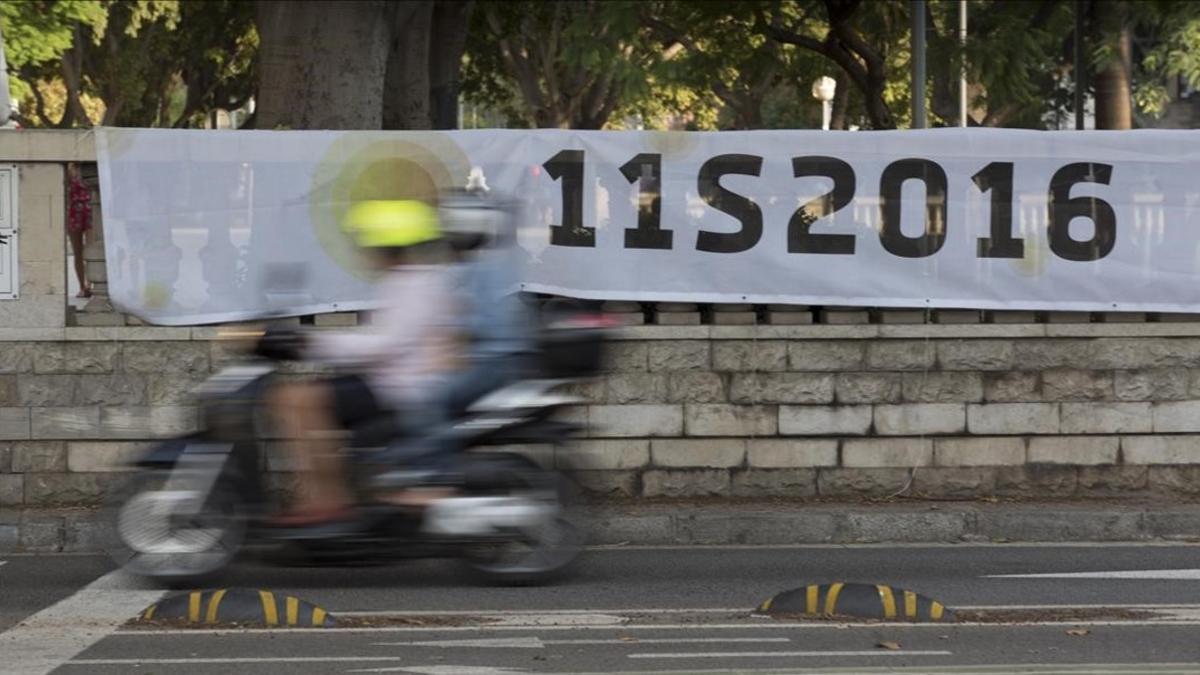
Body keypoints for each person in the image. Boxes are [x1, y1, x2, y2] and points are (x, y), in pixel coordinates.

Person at [263, 199, 462, 527]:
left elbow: (385, 344)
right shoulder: (407, 281)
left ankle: (326, 499)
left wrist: (310, 343)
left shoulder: (417, 285)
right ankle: (328, 495)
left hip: (400, 390)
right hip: (390, 382)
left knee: (294, 398)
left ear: (385, 244)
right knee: (297, 397)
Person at [66, 162, 92, 298]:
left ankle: (90, 284)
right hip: (73, 212)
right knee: (78, 252)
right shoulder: (69, 168)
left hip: (90, 210)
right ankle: (82, 286)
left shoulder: (90, 165)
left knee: (91, 248)